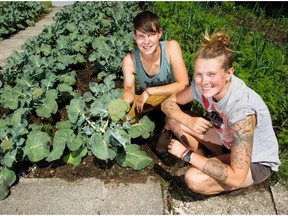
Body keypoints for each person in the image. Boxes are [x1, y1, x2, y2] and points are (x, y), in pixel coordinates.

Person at [161, 30, 281, 195]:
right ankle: (206, 161)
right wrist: (188, 121)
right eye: (199, 74)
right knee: (174, 120)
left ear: (229, 73)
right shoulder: (202, 86)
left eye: (211, 74)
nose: (204, 82)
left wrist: (186, 155)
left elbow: (238, 176)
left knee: (194, 179)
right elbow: (167, 103)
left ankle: (222, 179)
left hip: (253, 160)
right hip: (227, 142)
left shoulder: (241, 111)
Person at [121, 10, 189, 153]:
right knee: (124, 119)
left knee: (175, 101)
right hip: (151, 99)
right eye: (141, 36)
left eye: (151, 35)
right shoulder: (130, 60)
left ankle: (167, 129)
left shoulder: (171, 48)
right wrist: (122, 106)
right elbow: (128, 90)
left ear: (160, 33)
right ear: (135, 37)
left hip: (174, 97)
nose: (146, 42)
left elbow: (184, 84)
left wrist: (149, 91)